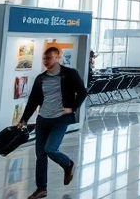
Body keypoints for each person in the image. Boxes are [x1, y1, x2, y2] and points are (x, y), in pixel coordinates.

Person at [19, 46, 88, 199]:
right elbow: (33, 101)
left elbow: (82, 92)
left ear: (57, 58)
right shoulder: (41, 78)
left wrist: (73, 108)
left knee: (51, 149)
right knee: (40, 155)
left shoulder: (70, 74)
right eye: (44, 58)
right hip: (42, 119)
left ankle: (67, 164)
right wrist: (23, 119)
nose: (46, 61)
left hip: (60, 119)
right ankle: (41, 189)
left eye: (49, 58)